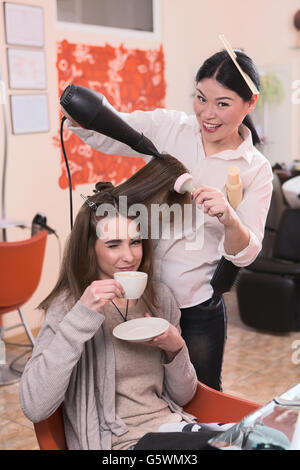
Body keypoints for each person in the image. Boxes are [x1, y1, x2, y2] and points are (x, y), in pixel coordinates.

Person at [62, 49, 273, 391]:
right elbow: (113, 129)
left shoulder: (256, 169)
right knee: (146, 393)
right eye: (201, 98)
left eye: (222, 103)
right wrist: (78, 110)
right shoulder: (171, 128)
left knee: (201, 395)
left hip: (196, 305)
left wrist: (230, 218)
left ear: (250, 103)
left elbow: (246, 253)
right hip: (143, 295)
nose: (207, 114)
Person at [19, 182, 203, 450]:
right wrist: (81, 317)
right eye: (114, 245)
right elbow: (35, 406)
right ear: (89, 248)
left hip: (173, 429)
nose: (129, 256)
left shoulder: (160, 298)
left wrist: (175, 347)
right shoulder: (70, 307)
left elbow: (184, 396)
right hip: (115, 445)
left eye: (136, 242)